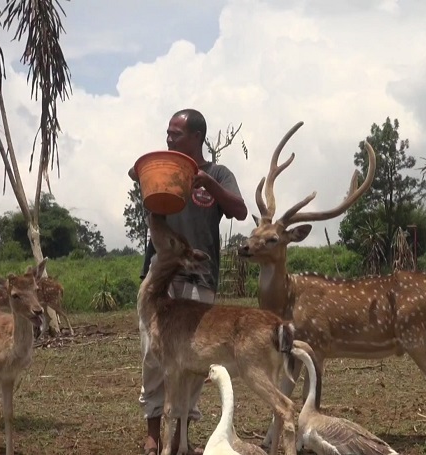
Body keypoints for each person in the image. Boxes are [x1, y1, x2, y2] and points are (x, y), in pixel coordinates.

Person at [130, 108, 247, 455]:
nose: (169, 138)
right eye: (168, 133)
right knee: (154, 355)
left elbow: (239, 210)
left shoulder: (218, 174)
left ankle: (180, 435)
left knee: (194, 361)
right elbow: (139, 179)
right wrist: (144, 173)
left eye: (175, 134)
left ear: (196, 136)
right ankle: (154, 433)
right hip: (161, 282)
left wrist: (208, 184)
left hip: (199, 279)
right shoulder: (165, 171)